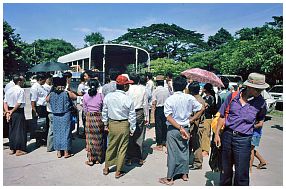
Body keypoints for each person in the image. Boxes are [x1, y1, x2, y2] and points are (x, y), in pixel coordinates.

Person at [214, 73, 268, 186]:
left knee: (242, 173)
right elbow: (222, 116)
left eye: (261, 89)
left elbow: (260, 121)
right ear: (248, 86)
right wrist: (217, 134)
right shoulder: (232, 96)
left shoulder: (261, 103)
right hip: (227, 136)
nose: (259, 92)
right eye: (257, 89)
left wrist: (249, 127)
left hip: (244, 140)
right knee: (225, 170)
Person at [159, 76, 204, 185]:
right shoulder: (189, 98)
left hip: (174, 129)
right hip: (186, 127)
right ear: (185, 87)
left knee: (172, 153)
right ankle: (184, 174)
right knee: (184, 151)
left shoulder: (170, 99)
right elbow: (201, 108)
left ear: (173, 87)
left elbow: (168, 117)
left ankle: (170, 178)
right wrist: (192, 119)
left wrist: (179, 127)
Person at [102, 75, 136, 179]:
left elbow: (104, 111)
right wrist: (132, 128)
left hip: (112, 123)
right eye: (128, 85)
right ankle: (118, 171)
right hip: (124, 125)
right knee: (122, 148)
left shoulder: (108, 97)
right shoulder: (128, 99)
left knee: (111, 145)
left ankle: (106, 167)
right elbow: (132, 116)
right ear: (125, 86)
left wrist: (105, 124)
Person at [46, 77, 77, 158]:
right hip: (66, 115)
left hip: (55, 115)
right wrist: (68, 90)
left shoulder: (52, 94)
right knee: (66, 133)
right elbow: (75, 97)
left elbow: (47, 99)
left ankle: (59, 152)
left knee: (57, 133)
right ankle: (66, 152)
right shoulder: (66, 93)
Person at [126, 74, 149, 165]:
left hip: (129, 112)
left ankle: (129, 158)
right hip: (139, 112)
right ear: (139, 80)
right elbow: (145, 104)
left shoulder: (127, 89)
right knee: (139, 134)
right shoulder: (143, 89)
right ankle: (139, 158)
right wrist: (146, 116)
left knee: (129, 134)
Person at [3, 74, 27, 156]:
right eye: (22, 81)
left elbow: (5, 102)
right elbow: (19, 103)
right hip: (17, 111)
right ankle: (18, 149)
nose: (23, 82)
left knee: (12, 129)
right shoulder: (20, 90)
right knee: (19, 130)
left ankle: (12, 148)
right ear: (19, 81)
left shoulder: (9, 90)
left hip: (9, 110)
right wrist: (12, 111)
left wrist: (7, 112)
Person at [83, 79, 105, 165]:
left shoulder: (85, 96)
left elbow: (85, 109)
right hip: (99, 118)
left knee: (89, 139)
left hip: (89, 118)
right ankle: (98, 159)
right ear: (97, 86)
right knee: (98, 139)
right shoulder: (101, 96)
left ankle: (90, 159)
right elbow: (103, 107)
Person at [188, 81, 206, 170]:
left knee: (196, 146)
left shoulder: (197, 101)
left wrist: (192, 128)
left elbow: (197, 117)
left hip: (196, 126)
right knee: (193, 144)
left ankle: (198, 163)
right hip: (197, 125)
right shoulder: (200, 99)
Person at [151, 75, 170, 151]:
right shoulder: (166, 90)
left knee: (158, 126)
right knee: (165, 125)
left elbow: (154, 101)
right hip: (166, 109)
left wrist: (153, 110)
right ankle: (164, 141)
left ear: (157, 82)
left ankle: (159, 144)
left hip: (158, 109)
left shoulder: (155, 90)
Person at [30, 73, 48, 147]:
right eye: (44, 80)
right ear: (40, 79)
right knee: (38, 125)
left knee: (43, 124)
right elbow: (33, 100)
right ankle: (38, 141)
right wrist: (34, 111)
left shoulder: (42, 87)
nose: (45, 81)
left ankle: (43, 139)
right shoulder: (34, 87)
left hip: (44, 107)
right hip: (38, 108)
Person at [201, 83, 216, 157]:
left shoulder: (210, 98)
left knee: (206, 134)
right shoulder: (205, 97)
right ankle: (203, 148)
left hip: (208, 117)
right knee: (203, 133)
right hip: (204, 117)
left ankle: (206, 150)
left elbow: (205, 105)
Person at [43, 74, 54, 152]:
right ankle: (50, 146)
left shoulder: (49, 89)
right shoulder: (48, 89)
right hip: (52, 112)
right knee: (52, 130)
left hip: (50, 111)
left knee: (51, 129)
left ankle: (50, 146)